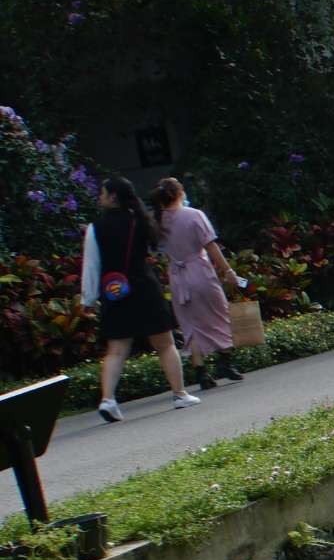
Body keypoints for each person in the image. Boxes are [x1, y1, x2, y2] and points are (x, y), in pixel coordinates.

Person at [79, 177, 197, 422]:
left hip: (115, 291)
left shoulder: (95, 228)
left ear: (113, 197)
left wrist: (88, 299)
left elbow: (91, 266)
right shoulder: (141, 221)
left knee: (117, 349)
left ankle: (108, 400)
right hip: (144, 287)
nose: (100, 197)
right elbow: (156, 249)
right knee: (165, 344)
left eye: (102, 193)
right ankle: (179, 393)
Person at [151, 177, 248, 386]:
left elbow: (164, 254)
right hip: (199, 271)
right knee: (219, 315)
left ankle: (200, 371)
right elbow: (211, 247)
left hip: (177, 276)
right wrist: (228, 271)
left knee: (190, 324)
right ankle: (225, 361)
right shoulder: (194, 215)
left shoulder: (159, 221)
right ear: (179, 193)